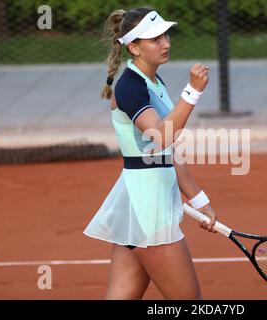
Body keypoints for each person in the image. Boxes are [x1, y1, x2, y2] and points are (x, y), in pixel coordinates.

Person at [83, 6, 218, 300]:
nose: (166, 43)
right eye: (155, 39)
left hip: (138, 205)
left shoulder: (154, 83)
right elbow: (159, 134)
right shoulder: (130, 87)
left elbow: (166, 151)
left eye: (166, 35)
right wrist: (192, 92)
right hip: (149, 210)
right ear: (134, 47)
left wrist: (199, 199)